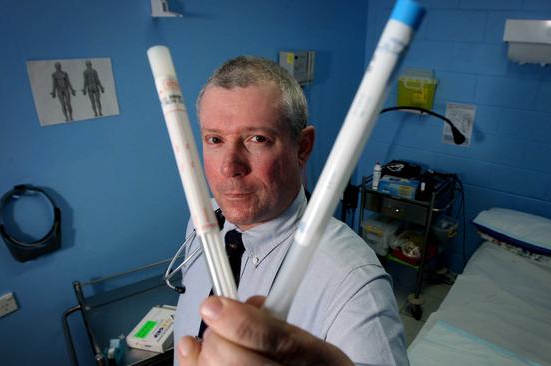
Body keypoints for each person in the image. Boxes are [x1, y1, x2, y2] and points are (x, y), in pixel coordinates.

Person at [173, 56, 408, 365]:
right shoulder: (203, 220)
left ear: (303, 147)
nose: (229, 167)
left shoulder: (354, 282)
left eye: (257, 139)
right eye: (215, 139)